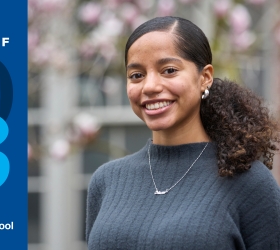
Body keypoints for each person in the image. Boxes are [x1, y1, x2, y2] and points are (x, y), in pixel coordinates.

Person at [86, 16, 280, 250]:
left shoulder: (248, 182)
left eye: (168, 70)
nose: (150, 87)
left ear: (205, 78)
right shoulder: (107, 180)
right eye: (137, 75)